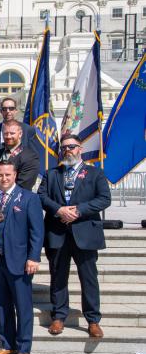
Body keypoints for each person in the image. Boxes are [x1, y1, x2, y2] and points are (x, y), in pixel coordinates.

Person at [38, 134, 111, 338]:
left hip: (85, 232)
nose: (68, 150)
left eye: (72, 146)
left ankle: (93, 320)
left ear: (80, 148)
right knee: (58, 277)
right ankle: (59, 316)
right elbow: (42, 197)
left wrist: (78, 210)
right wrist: (60, 210)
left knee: (88, 278)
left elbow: (104, 199)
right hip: (58, 233)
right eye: (64, 147)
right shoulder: (51, 173)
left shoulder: (95, 173)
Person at [0, 160, 43, 354]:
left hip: (19, 261)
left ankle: (24, 349)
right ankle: (7, 344)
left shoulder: (29, 198)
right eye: (0, 175)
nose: (4, 179)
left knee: (23, 307)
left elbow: (36, 231)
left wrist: (34, 257)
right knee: (2, 305)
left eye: (7, 175)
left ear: (15, 175)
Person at [0, 120, 39, 196]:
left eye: (12, 133)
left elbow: (24, 185)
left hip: (17, 203)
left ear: (20, 134)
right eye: (6, 133)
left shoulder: (30, 157)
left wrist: (3, 198)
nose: (8, 136)